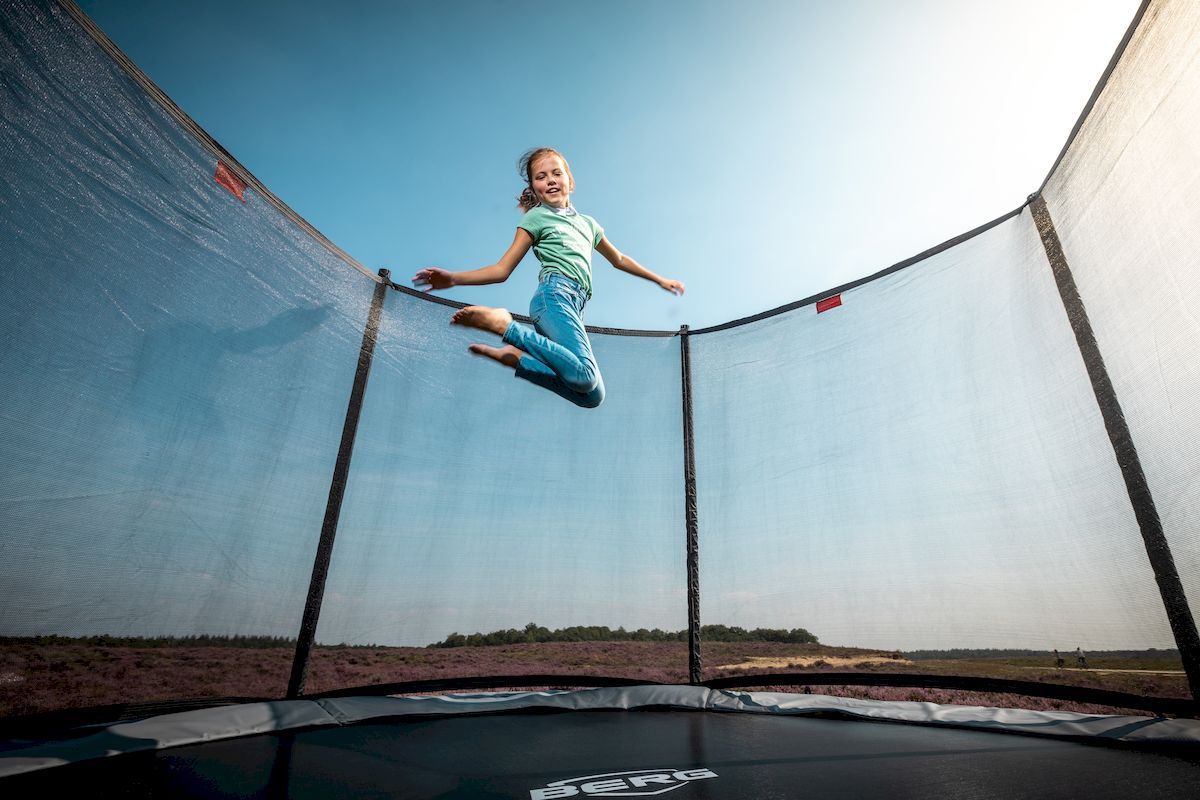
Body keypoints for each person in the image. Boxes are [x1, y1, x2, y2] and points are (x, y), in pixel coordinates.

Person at [412, 147, 684, 408]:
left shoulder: (588, 223)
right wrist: (453, 279)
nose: (550, 180)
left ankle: (517, 359)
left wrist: (660, 279)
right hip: (553, 298)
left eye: (556, 173)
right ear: (534, 189)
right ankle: (505, 326)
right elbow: (502, 269)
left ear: (570, 180)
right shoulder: (536, 218)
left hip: (574, 307)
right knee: (585, 376)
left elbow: (619, 259)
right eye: (540, 177)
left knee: (592, 396)